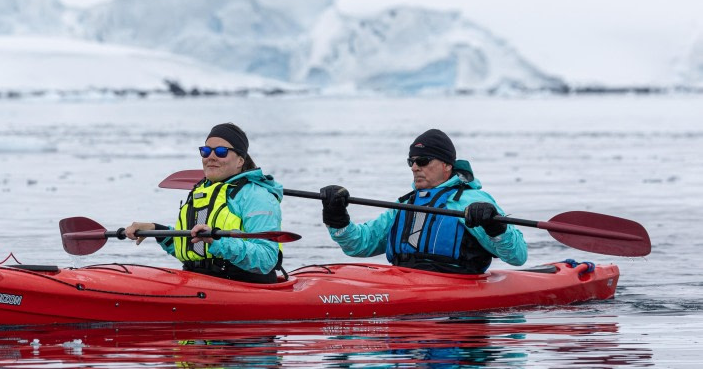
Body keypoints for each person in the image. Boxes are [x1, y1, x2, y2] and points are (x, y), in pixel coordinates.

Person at [319, 128, 527, 274]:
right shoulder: (405, 204)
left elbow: (517, 256)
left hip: (456, 293)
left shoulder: (471, 201)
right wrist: (336, 219)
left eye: (423, 161)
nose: (414, 167)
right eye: (411, 161)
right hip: (404, 282)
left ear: (447, 165)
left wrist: (495, 227)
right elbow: (361, 245)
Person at [125, 123, 284, 283]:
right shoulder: (202, 192)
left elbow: (267, 258)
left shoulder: (257, 196)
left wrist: (217, 241)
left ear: (240, 161)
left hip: (245, 285)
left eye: (221, 152)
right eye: (206, 151)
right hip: (200, 281)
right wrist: (155, 230)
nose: (211, 157)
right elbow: (192, 247)